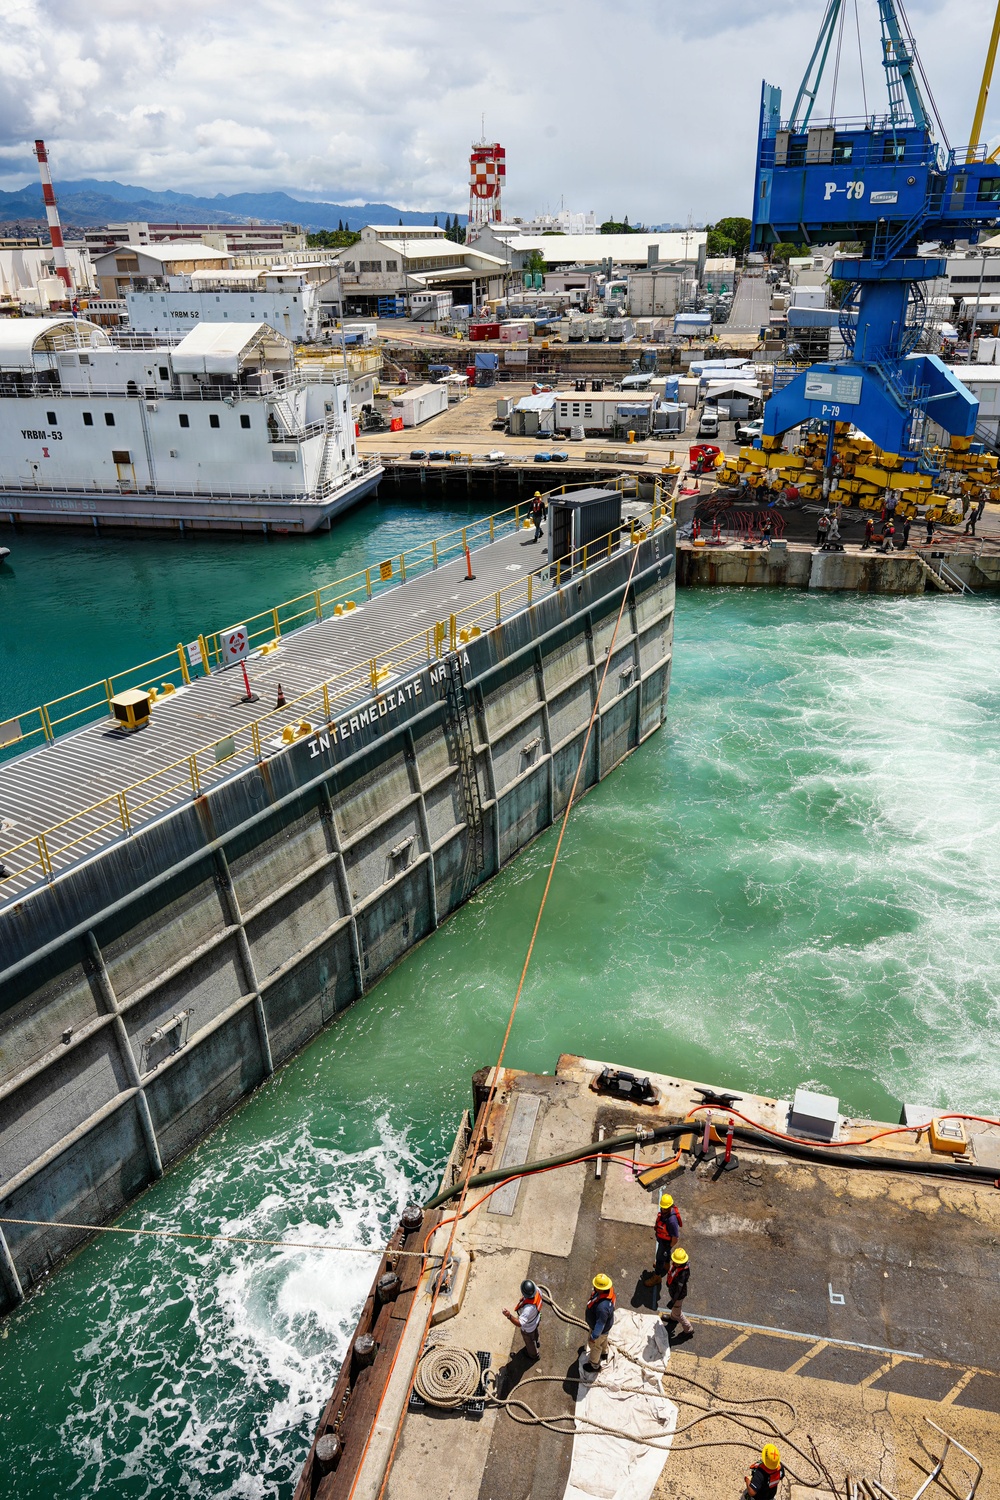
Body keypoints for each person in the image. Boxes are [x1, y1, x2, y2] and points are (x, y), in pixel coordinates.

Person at [643, 1193, 683, 1291]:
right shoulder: (665, 1214)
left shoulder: (671, 1221)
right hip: (663, 1240)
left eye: (665, 1208)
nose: (662, 1209)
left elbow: (675, 1238)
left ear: (670, 1207)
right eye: (662, 1207)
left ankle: (657, 1277)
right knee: (665, 1255)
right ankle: (666, 1265)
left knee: (659, 1258)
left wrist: (668, 1247)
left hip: (666, 1243)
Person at [503, 1278, 542, 1362]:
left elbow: (520, 1323)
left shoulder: (528, 1310)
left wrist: (509, 1316)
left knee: (529, 1341)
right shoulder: (538, 1291)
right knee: (535, 1333)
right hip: (536, 1319)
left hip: (528, 1328)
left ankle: (534, 1355)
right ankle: (537, 1342)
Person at [583, 1273, 616, 1371]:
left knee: (595, 1346)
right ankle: (604, 1353)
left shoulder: (602, 1308)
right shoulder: (608, 1293)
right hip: (605, 1330)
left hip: (599, 1331)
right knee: (603, 1340)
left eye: (596, 1286)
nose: (594, 1287)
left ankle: (594, 1365)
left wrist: (593, 1336)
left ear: (601, 1289)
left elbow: (600, 1325)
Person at [662, 1247, 693, 1338]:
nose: (674, 1263)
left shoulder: (683, 1274)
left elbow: (679, 1289)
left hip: (678, 1296)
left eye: (676, 1262)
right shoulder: (677, 1267)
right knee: (675, 1310)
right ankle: (673, 1318)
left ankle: (688, 1329)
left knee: (678, 1314)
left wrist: (673, 1301)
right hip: (673, 1292)